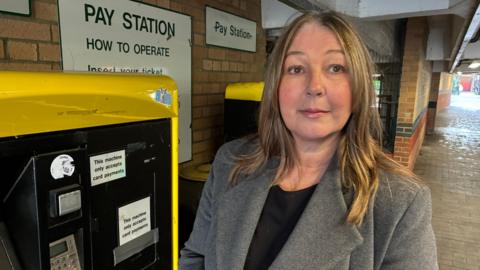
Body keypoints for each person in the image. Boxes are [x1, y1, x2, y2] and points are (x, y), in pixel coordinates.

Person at [179, 11, 438, 270]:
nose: (315, 86)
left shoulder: (400, 202)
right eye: (296, 68)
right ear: (276, 86)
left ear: (358, 88)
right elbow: (196, 257)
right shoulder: (230, 162)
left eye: (335, 68)